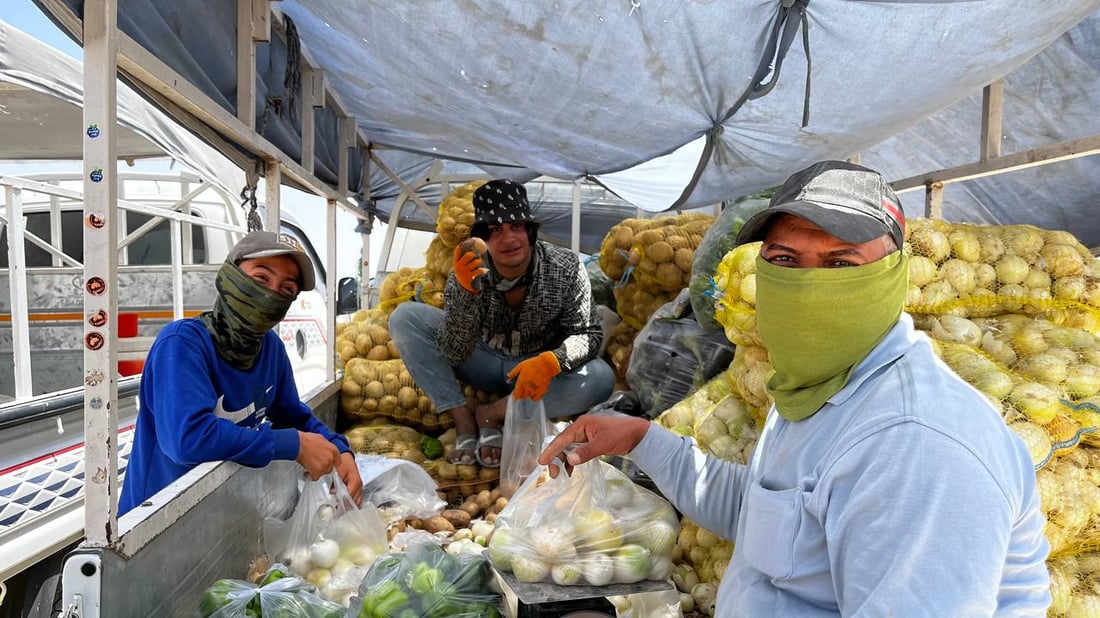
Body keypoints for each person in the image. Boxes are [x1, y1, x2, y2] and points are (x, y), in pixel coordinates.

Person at [540, 161, 1051, 616]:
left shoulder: (916, 445)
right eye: (785, 260)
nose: (808, 287)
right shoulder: (819, 387)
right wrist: (640, 439)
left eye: (841, 264)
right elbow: (770, 515)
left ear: (893, 277)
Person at [119, 230, 363, 515]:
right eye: (261, 278)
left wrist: (340, 450)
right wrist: (291, 444)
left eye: (286, 290)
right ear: (229, 276)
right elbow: (187, 438)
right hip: (153, 523)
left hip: (217, 514)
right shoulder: (183, 343)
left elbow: (293, 415)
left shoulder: (270, 349)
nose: (270, 293)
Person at [389, 179, 615, 467]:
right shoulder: (467, 270)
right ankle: (464, 422)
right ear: (482, 238)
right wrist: (465, 293)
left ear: (530, 231)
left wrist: (553, 361)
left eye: (516, 226)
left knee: (601, 377)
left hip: (537, 374)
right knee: (405, 317)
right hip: (481, 362)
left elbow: (588, 333)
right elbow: (454, 352)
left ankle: (493, 413)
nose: (509, 239)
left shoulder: (565, 266)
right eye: (495, 231)